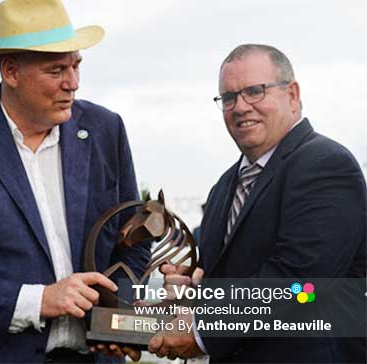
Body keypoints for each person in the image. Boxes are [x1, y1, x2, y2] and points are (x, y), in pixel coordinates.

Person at [0, 1, 151, 362]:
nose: (73, 83)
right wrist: (40, 301)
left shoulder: (105, 130)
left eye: (76, 65)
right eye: (56, 70)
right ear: (11, 71)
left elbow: (134, 238)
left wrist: (117, 317)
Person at [149, 44, 367, 363]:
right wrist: (190, 288)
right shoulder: (224, 186)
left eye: (255, 91)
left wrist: (201, 330)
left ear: (292, 94)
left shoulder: (325, 165)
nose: (240, 107)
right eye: (228, 97)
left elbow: (300, 283)